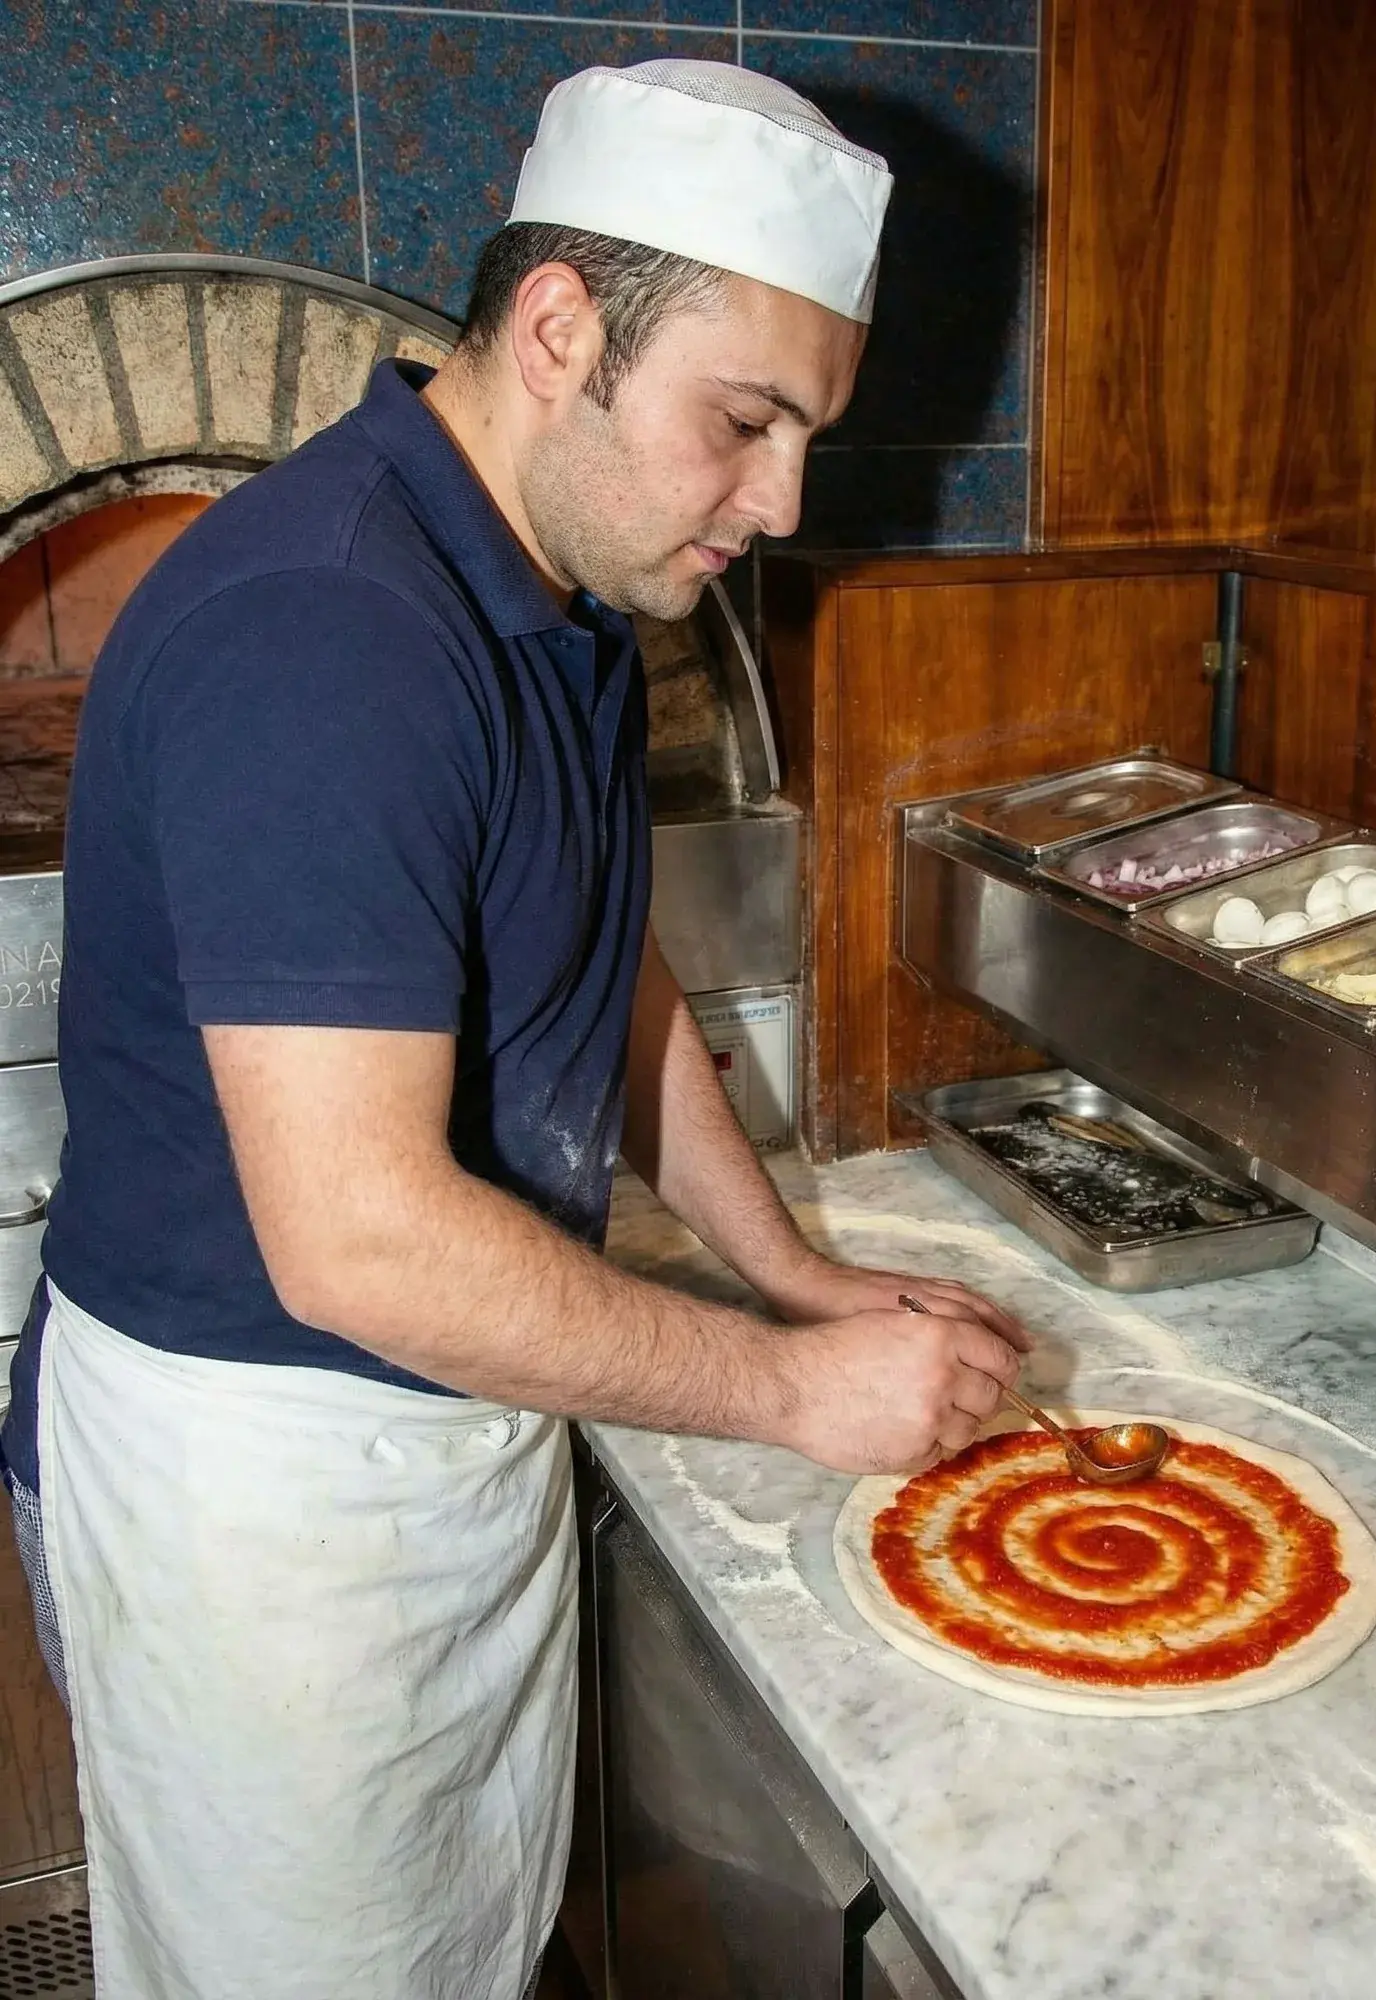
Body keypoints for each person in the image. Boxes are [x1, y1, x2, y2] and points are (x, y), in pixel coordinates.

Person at [0, 58, 1026, 1999]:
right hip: (268, 1491)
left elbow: (599, 961)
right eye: (745, 420)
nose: (779, 500)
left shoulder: (550, 589)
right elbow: (360, 1237)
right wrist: (793, 1391)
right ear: (560, 329)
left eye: (805, 434)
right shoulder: (329, 635)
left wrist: (789, 1274)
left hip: (448, 1408)